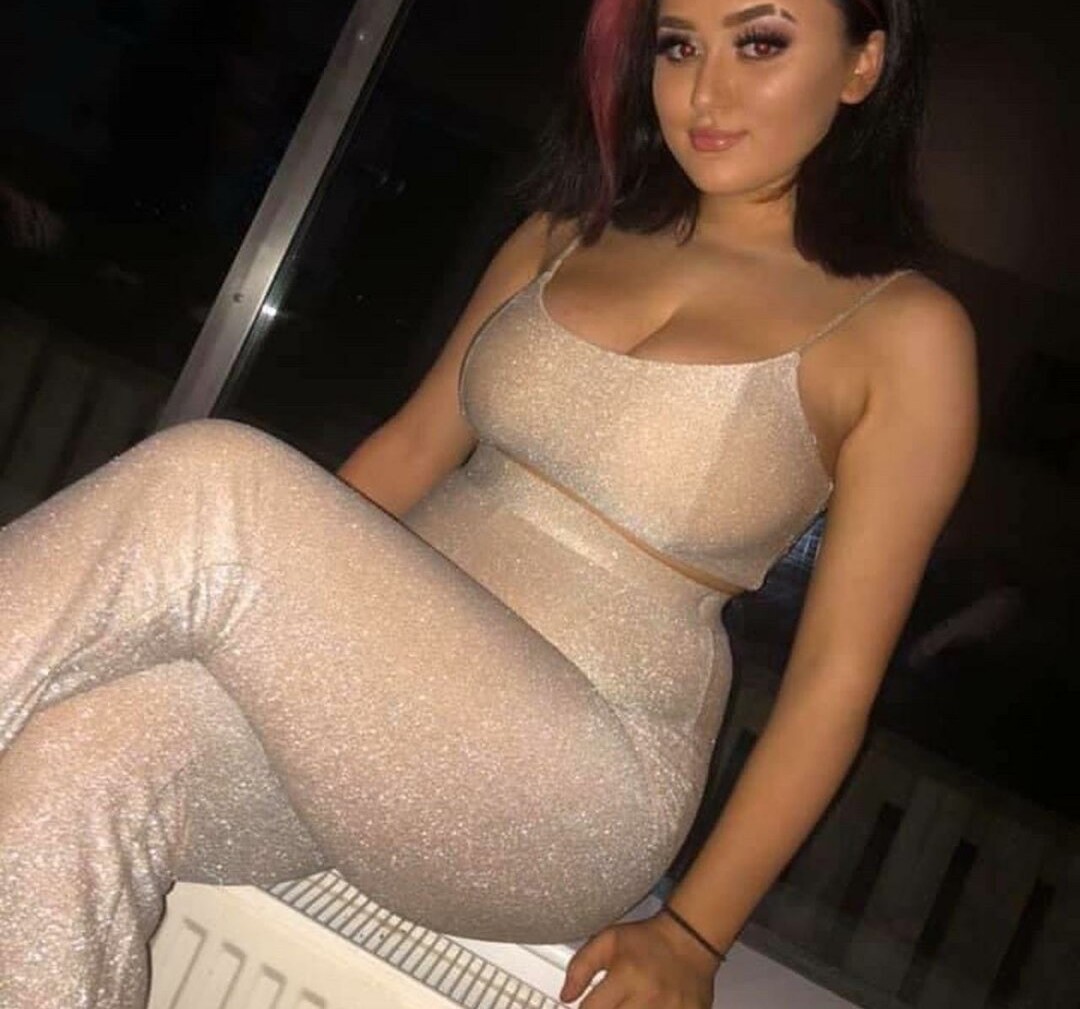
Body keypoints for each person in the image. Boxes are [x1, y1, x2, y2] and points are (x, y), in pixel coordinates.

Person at [0, 0, 977, 1005]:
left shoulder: (903, 331)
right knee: (77, 758)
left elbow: (834, 679)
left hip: (578, 778)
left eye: (760, 43)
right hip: (368, 703)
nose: (705, 89)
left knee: (216, 477)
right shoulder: (564, 234)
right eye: (679, 45)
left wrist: (693, 933)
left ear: (863, 64)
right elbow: (410, 451)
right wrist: (230, 620)